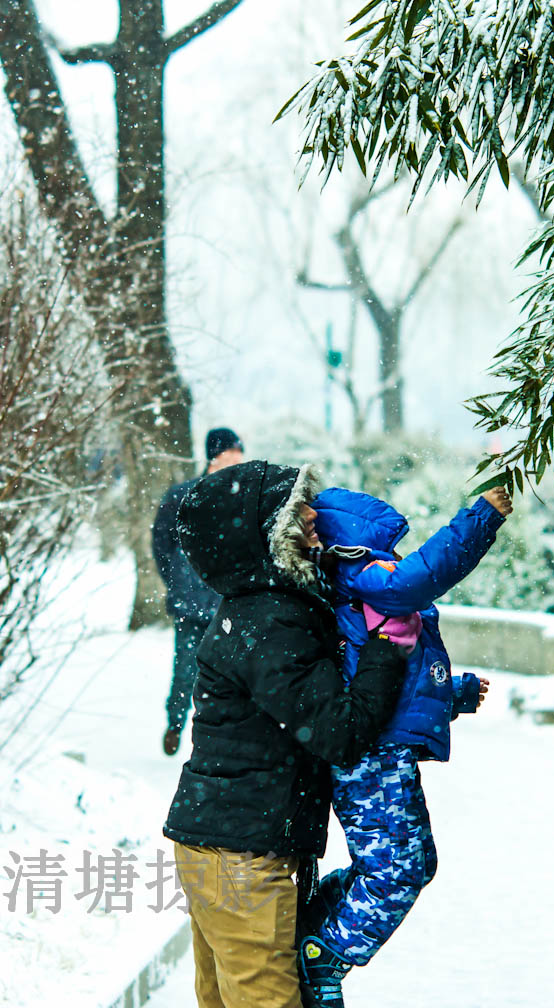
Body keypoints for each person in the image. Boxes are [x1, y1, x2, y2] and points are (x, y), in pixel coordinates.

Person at [163, 459, 409, 1008]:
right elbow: (339, 730)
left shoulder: (258, 610)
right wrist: (390, 647)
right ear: (265, 533)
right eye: (296, 507)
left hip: (221, 850)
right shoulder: (270, 620)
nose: (312, 514)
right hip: (242, 860)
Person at [296, 485, 513, 1007]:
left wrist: (451, 693)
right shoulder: (358, 570)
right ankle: (325, 951)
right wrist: (479, 520)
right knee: (398, 870)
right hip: (369, 754)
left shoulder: (361, 576)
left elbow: (400, 663)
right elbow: (418, 581)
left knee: (411, 863)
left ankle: (315, 919)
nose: (397, 555)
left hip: (380, 749)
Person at [152, 427, 244, 755]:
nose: (237, 459)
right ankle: (175, 723)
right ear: (215, 456)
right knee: (186, 670)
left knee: (227, 674)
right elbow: (162, 546)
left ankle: (215, 736)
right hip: (190, 603)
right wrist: (178, 581)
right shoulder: (182, 496)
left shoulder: (242, 498)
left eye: (239, 453)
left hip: (227, 604)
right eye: (232, 453)